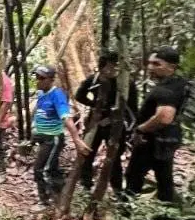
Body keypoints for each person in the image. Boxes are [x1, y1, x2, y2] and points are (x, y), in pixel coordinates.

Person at [125, 46, 189, 203]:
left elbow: (164, 117)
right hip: (168, 139)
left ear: (172, 67)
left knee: (134, 174)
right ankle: (168, 211)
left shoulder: (166, 90)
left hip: (153, 141)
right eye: (150, 63)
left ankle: (126, 211)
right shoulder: (179, 84)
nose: (150, 67)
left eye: (157, 64)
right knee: (164, 177)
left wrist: (140, 129)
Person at [74, 50, 139, 194]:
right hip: (96, 122)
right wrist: (95, 105)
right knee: (88, 153)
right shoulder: (94, 79)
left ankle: (116, 189)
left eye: (116, 66)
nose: (113, 69)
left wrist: (130, 127)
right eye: (110, 66)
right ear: (102, 66)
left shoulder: (127, 83)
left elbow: (133, 108)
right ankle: (86, 184)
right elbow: (79, 95)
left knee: (114, 158)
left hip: (116, 125)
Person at [31, 65, 90, 209]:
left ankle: (48, 203)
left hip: (53, 139)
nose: (38, 80)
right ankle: (58, 195)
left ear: (51, 80)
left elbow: (66, 118)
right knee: (51, 168)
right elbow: (38, 111)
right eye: (37, 77)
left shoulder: (57, 95)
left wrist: (76, 139)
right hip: (43, 138)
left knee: (41, 169)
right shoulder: (40, 93)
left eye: (42, 78)